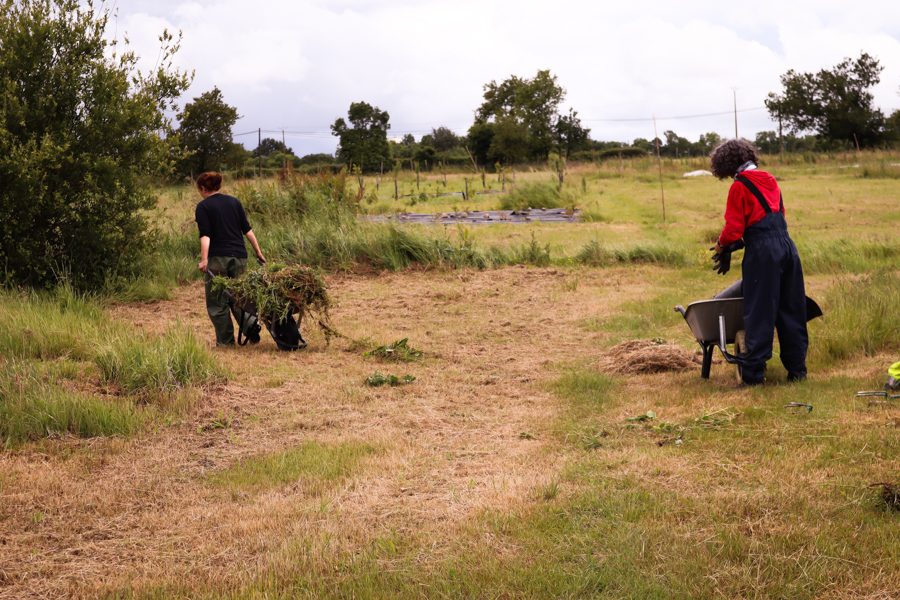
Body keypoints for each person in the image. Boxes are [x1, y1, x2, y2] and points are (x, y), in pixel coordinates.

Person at [710, 139, 807, 385]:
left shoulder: (739, 186)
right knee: (791, 311)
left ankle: (753, 375)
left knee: (760, 312)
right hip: (787, 247)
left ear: (724, 165)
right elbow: (775, 216)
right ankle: (797, 372)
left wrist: (721, 246)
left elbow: (734, 229)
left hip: (763, 255)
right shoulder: (770, 179)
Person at [195, 172, 266, 346]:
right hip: (240, 257)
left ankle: (226, 342)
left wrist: (204, 260)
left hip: (218, 258)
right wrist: (258, 251)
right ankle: (250, 328)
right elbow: (247, 230)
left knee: (217, 301)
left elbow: (205, 235)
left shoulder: (203, 206)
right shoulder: (234, 202)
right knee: (239, 297)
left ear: (203, 188)